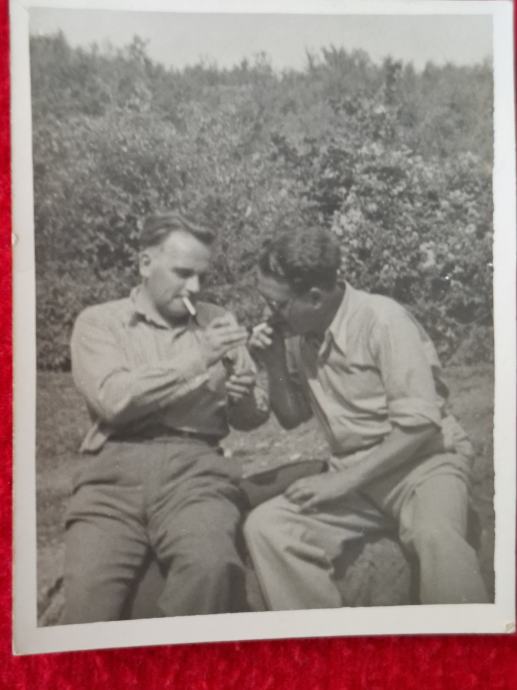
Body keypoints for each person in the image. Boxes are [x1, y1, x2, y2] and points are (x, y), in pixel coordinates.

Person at [245, 225, 488, 610]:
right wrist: (273, 361)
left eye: (277, 305)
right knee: (268, 527)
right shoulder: (298, 334)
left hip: (423, 465)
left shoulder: (383, 319)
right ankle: (323, 641)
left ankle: (468, 642)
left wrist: (340, 482)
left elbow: (420, 427)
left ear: (315, 297)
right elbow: (291, 417)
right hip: (359, 478)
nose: (268, 315)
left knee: (436, 536)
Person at [64, 210, 269, 623]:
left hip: (196, 472)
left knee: (211, 567)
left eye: (202, 277)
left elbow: (252, 416)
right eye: (182, 273)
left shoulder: (216, 321)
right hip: (112, 475)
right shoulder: (99, 322)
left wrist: (244, 396)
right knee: (87, 594)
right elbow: (113, 400)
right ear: (145, 264)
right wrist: (199, 356)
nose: (194, 287)